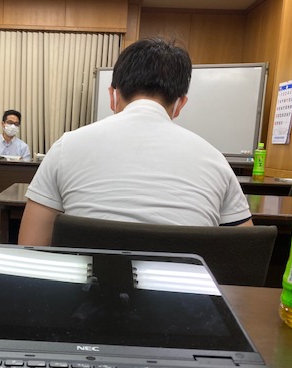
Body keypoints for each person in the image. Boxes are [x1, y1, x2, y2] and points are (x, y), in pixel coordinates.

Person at [18, 37, 253, 246]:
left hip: (87, 282)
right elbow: (244, 255)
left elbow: (31, 245)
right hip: (180, 283)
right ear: (180, 104)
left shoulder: (66, 146)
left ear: (113, 95)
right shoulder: (215, 160)